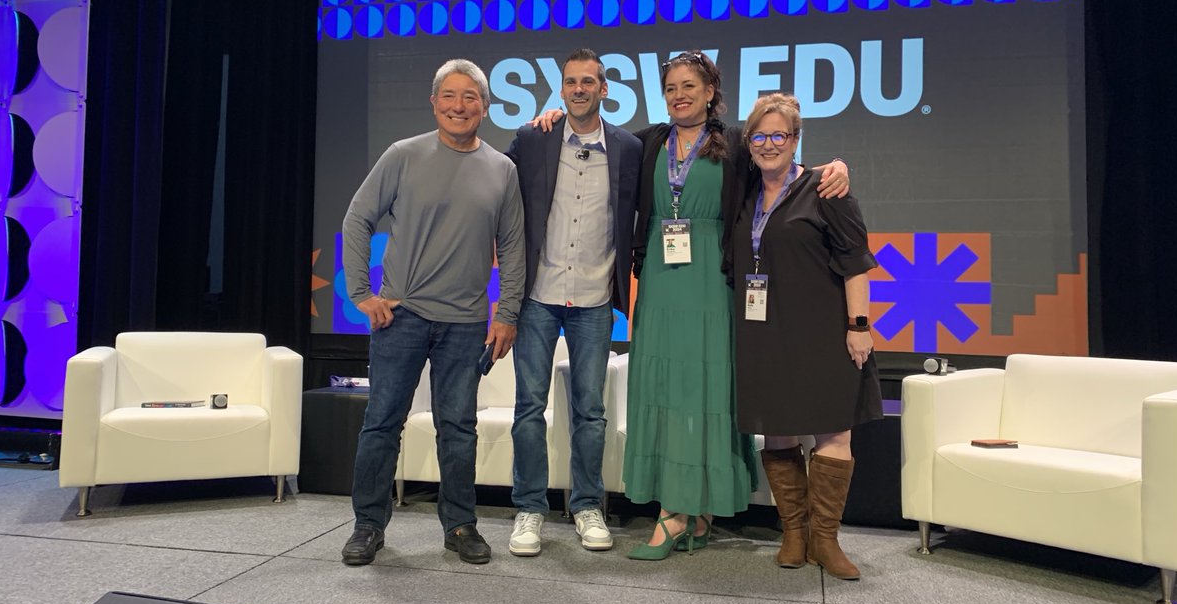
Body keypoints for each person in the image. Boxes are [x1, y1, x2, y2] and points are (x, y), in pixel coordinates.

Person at [541, 51, 849, 559]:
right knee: (665, 387)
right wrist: (552, 120)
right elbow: (590, 137)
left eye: (690, 86)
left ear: (710, 92)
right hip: (660, 282)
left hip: (714, 282)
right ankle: (681, 509)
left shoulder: (736, 148)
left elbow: (783, 170)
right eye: (671, 88)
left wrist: (833, 167)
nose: (679, 95)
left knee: (706, 389)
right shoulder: (645, 144)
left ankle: (689, 510)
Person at [340, 59, 525, 566]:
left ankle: (461, 525)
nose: (459, 106)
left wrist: (506, 312)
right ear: (434, 102)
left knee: (459, 428)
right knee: (382, 423)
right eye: (450, 95)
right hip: (401, 318)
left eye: (470, 97)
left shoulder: (502, 170)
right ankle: (368, 525)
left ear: (484, 108)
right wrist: (361, 293)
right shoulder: (403, 155)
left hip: (466, 323)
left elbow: (511, 247)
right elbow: (357, 219)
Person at [732, 93, 881, 580]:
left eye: (780, 135)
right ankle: (793, 532)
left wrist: (859, 327)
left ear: (796, 141)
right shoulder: (745, 191)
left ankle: (826, 539)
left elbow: (856, 260)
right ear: (748, 141)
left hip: (822, 333)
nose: (769, 144)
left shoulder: (825, 189)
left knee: (833, 432)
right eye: (760, 135)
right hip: (765, 333)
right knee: (777, 430)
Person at [504, 49, 642, 557]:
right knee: (528, 408)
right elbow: (491, 184)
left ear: (605, 90)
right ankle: (530, 509)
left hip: (593, 298)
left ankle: (587, 506)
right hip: (537, 296)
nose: (579, 89)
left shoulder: (629, 147)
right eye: (571, 82)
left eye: (589, 82)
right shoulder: (532, 138)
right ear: (561, 90)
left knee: (591, 411)